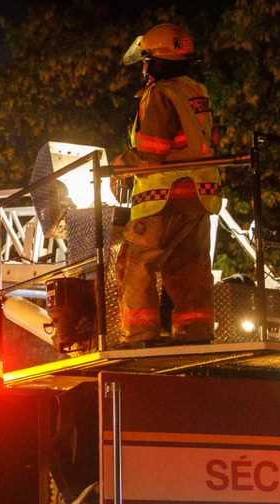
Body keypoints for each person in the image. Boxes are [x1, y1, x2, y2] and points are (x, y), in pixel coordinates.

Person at [110, 22, 222, 348]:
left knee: (134, 263)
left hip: (165, 197)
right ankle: (196, 334)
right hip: (200, 195)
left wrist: (116, 169)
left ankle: (139, 336)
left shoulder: (158, 94)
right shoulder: (196, 91)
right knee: (190, 269)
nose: (143, 67)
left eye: (145, 60)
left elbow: (152, 151)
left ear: (156, 61)